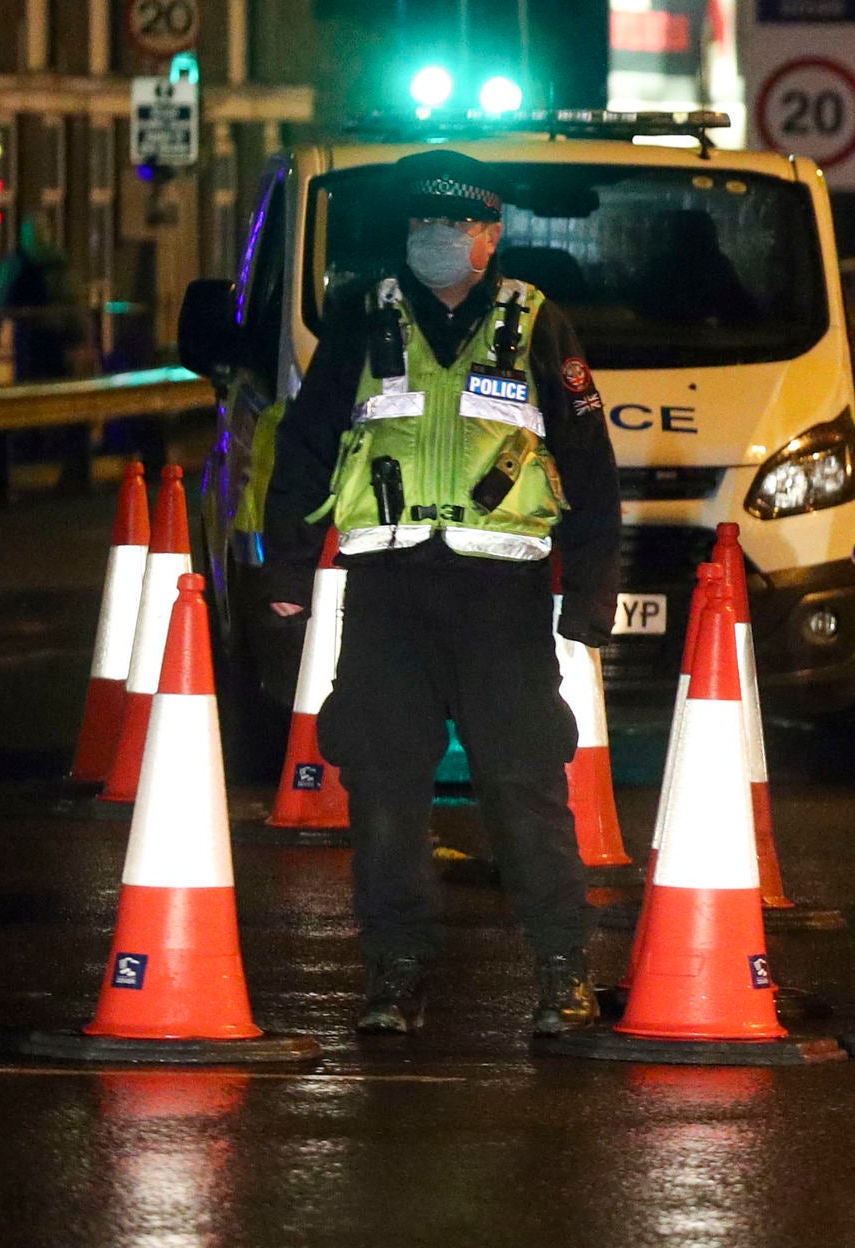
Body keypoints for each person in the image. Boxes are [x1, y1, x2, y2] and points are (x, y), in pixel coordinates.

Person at [261, 150, 622, 1039]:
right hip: (388, 593)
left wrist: (592, 591)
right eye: (422, 228)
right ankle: (395, 972)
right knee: (384, 790)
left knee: (524, 785)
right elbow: (308, 441)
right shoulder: (363, 315)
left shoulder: (537, 321)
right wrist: (287, 569)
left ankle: (562, 971)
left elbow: (588, 462)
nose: (433, 242)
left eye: (451, 229)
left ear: (490, 236)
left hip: (501, 597)